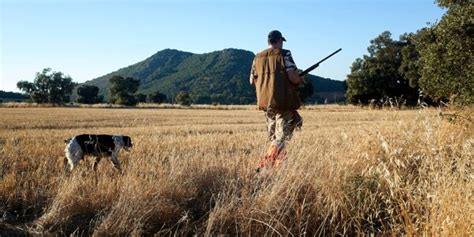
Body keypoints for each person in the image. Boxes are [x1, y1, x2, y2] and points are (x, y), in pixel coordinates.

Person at [250, 30, 304, 172]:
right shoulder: (284, 54)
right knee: (281, 138)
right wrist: (300, 79)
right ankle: (263, 165)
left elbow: (252, 81)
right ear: (279, 40)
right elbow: (293, 77)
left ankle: (278, 171)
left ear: (269, 41)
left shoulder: (257, 57)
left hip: (266, 104)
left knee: (274, 138)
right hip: (283, 102)